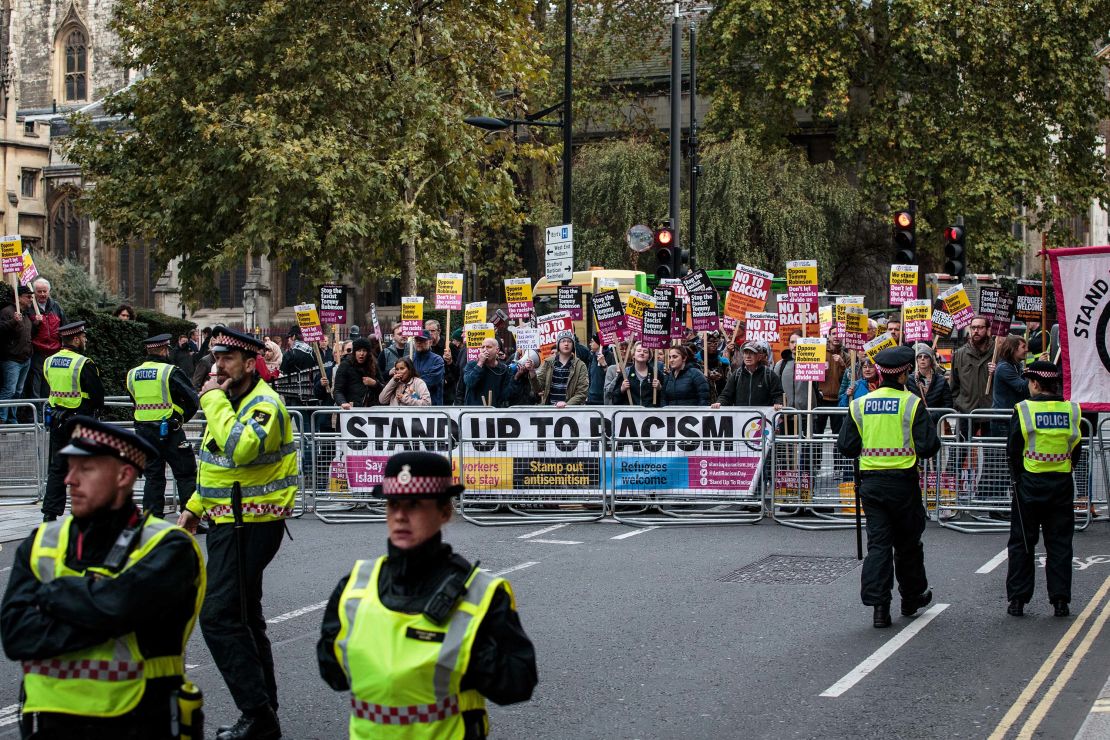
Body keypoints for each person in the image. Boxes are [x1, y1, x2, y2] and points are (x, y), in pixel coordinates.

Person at [0, 416, 204, 740]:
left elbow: (117, 610)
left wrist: (50, 595)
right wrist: (99, 604)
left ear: (124, 475)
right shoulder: (41, 542)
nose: (70, 480)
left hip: (140, 722)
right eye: (69, 467)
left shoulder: (168, 546)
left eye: (86, 469)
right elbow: (15, 636)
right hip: (50, 726)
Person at [316, 451, 538, 738]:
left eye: (415, 505)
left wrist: (465, 652)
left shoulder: (480, 594)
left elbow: (517, 684)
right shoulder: (356, 586)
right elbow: (333, 674)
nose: (400, 516)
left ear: (445, 511)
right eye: (393, 503)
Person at [177, 328, 298, 740]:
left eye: (227, 358)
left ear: (251, 363)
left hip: (253, 524)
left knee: (219, 616)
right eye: (215, 357)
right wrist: (194, 508)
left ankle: (257, 712)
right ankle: (265, 712)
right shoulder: (229, 402)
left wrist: (209, 398)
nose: (218, 366)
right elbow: (219, 467)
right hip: (228, 521)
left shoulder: (263, 404)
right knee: (245, 616)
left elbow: (241, 449)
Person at [836, 346, 941, 628]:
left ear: (880, 372)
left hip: (871, 485)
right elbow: (930, 446)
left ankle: (879, 608)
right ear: (906, 372)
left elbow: (845, 446)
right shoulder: (912, 403)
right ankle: (911, 597)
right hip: (903, 483)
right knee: (908, 545)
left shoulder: (860, 404)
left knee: (879, 545)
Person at [1005, 361, 1082, 617]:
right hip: (1060, 485)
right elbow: (1076, 449)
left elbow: (1013, 449)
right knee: (1059, 544)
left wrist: (1017, 479)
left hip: (1029, 484)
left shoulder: (1024, 409)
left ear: (1036, 383)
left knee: (1023, 543)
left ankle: (1018, 600)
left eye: (1029, 382)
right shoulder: (1072, 410)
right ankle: (1060, 601)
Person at [125, 333, 201, 519]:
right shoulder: (169, 372)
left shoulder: (132, 374)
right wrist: (180, 418)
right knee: (185, 473)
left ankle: (152, 518)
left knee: (153, 476)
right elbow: (192, 400)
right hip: (170, 431)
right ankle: (189, 517)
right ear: (164, 350)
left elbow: (134, 401)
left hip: (144, 432)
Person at [43, 321, 105, 521]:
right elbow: (97, 396)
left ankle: (50, 514)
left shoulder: (49, 361)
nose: (85, 340)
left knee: (58, 468)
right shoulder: (83, 363)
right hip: (80, 421)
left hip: (57, 421)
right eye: (84, 337)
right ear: (77, 339)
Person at [949, 315, 993, 429]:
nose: (976, 331)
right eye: (973, 328)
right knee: (962, 447)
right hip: (966, 412)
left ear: (988, 330)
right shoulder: (959, 354)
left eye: (980, 327)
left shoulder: (997, 353)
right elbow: (954, 384)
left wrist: (998, 370)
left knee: (992, 447)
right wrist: (958, 405)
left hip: (991, 412)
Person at [26, 277, 67, 399]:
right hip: (37, 353)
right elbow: (26, 333)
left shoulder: (56, 307)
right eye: (39, 291)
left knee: (51, 386)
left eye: (45, 291)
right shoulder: (29, 308)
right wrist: (36, 324)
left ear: (49, 291)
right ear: (34, 292)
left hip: (55, 353)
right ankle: (36, 416)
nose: (42, 294)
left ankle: (48, 414)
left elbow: (64, 327)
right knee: (35, 387)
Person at [714, 340, 783, 408]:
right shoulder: (737, 374)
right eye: (745, 353)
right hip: (742, 418)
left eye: (752, 353)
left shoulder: (769, 374)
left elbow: (778, 395)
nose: (748, 356)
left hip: (762, 418)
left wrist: (778, 403)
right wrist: (720, 403)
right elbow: (726, 394)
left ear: (759, 357)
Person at [0, 285, 33, 423]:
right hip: (11, 359)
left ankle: (12, 419)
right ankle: (1, 418)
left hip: (25, 359)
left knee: (18, 392)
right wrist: (13, 321)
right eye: (28, 297)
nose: (31, 300)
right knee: (9, 390)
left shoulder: (26, 314)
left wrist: (36, 323)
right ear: (18, 298)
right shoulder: (7, 312)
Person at [532, 331, 589, 407]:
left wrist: (567, 405)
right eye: (563, 341)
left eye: (569, 341)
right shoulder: (548, 363)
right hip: (550, 410)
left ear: (573, 345)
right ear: (558, 345)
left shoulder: (580, 365)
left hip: (571, 412)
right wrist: (531, 371)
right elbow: (538, 388)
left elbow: (582, 392)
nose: (566, 344)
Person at [990, 334, 1030, 434]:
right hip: (1003, 421)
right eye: (1023, 347)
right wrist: (1034, 376)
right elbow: (1022, 387)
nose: (1026, 350)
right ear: (1013, 349)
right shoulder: (1004, 367)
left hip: (1011, 418)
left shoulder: (1016, 366)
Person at [907, 343, 953, 421]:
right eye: (919, 356)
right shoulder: (909, 380)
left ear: (931, 360)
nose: (922, 359)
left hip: (935, 424)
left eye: (926, 356)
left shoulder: (941, 380)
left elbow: (948, 405)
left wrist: (933, 416)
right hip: (916, 422)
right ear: (917, 360)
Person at [610, 341, 663, 407]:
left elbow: (665, 399)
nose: (642, 353)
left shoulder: (656, 374)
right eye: (639, 351)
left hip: (651, 414)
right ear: (633, 355)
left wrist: (660, 388)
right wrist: (621, 390)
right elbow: (614, 399)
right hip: (631, 414)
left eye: (645, 351)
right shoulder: (625, 373)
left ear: (649, 356)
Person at [463, 337, 511, 407]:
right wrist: (480, 364)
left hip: (494, 411)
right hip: (474, 412)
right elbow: (469, 382)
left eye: (489, 347)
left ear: (497, 350)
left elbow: (506, 394)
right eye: (482, 347)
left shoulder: (503, 369)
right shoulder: (472, 364)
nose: (485, 350)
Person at [334, 337, 380, 409]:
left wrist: (375, 383)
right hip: (350, 410)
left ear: (368, 353)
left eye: (364, 351)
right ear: (354, 352)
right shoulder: (345, 365)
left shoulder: (373, 365)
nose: (361, 354)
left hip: (370, 410)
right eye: (359, 350)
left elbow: (383, 389)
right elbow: (338, 390)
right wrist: (342, 402)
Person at [413, 330, 446, 405]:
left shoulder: (437, 360)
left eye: (422, 340)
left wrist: (411, 383)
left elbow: (430, 382)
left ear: (430, 342)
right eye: (416, 340)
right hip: (412, 404)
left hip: (432, 405)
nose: (418, 342)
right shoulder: (410, 359)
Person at [587, 334, 616, 405]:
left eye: (592, 341)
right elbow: (590, 377)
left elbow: (614, 378)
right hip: (591, 398)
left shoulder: (610, 356)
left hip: (603, 398)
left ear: (599, 343)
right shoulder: (592, 356)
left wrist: (604, 365)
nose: (590, 344)